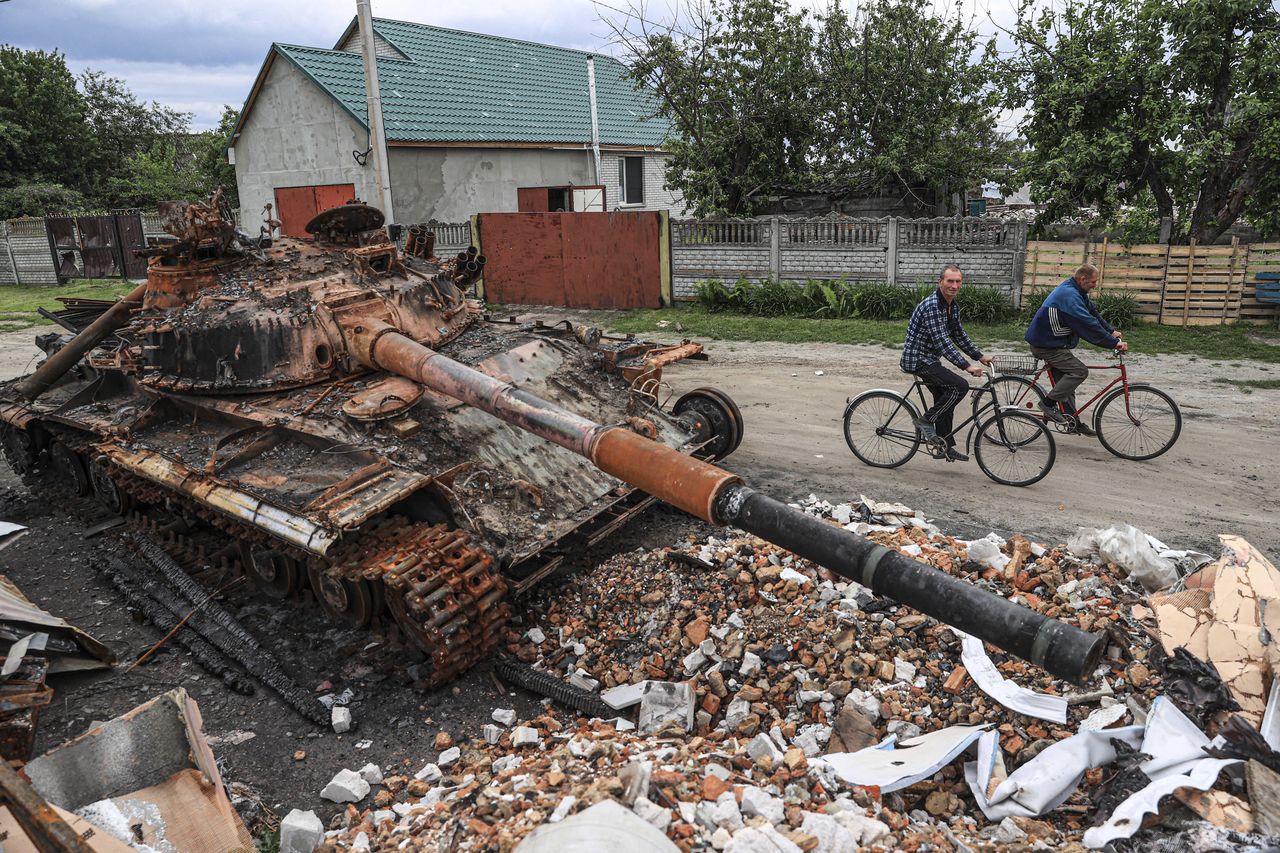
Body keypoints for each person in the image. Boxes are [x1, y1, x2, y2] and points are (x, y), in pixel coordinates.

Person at [900, 265, 993, 462]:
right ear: (940, 282)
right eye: (950, 281)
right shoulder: (933, 305)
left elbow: (958, 334)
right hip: (918, 359)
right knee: (960, 386)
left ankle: (944, 445)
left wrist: (979, 356)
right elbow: (942, 341)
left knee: (947, 399)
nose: (954, 285)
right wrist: (966, 366)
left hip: (930, 359)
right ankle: (925, 421)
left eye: (958, 281)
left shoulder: (952, 306)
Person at [1024, 263, 1128, 435]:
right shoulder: (1069, 295)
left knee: (1066, 384)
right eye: (1093, 282)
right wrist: (1112, 343)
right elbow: (1087, 324)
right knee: (1079, 371)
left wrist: (1111, 331)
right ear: (1082, 279)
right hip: (1045, 345)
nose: (1096, 285)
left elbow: (1093, 314)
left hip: (1053, 342)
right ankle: (1047, 404)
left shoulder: (1077, 290)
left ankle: (1072, 421)